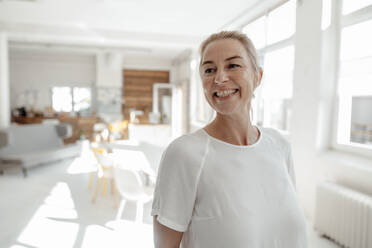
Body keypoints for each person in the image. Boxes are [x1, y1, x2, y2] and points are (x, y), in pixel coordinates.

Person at [151, 31, 308, 248]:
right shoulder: (184, 153)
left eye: (233, 65)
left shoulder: (279, 146)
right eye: (209, 70)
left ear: (257, 76)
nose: (220, 78)